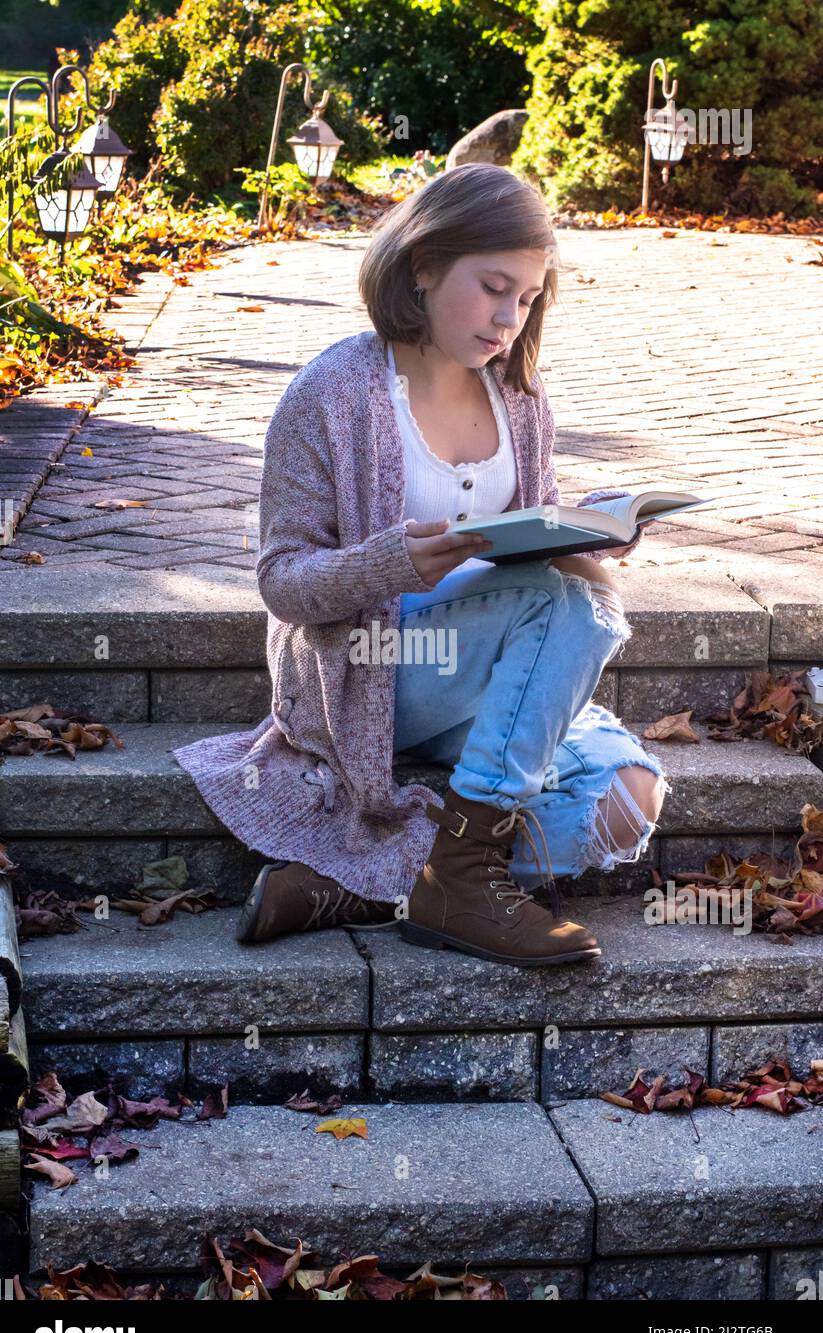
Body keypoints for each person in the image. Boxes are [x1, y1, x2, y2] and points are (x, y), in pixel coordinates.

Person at [172, 163, 670, 968]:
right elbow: (282, 581)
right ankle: (463, 882)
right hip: (372, 674)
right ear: (423, 264)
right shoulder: (331, 393)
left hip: (490, 679)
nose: (509, 317)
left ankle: (366, 886)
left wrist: (588, 536)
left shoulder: (520, 397)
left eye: (528, 298)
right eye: (493, 287)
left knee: (625, 801)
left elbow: (532, 546)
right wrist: (389, 563)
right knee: (563, 609)